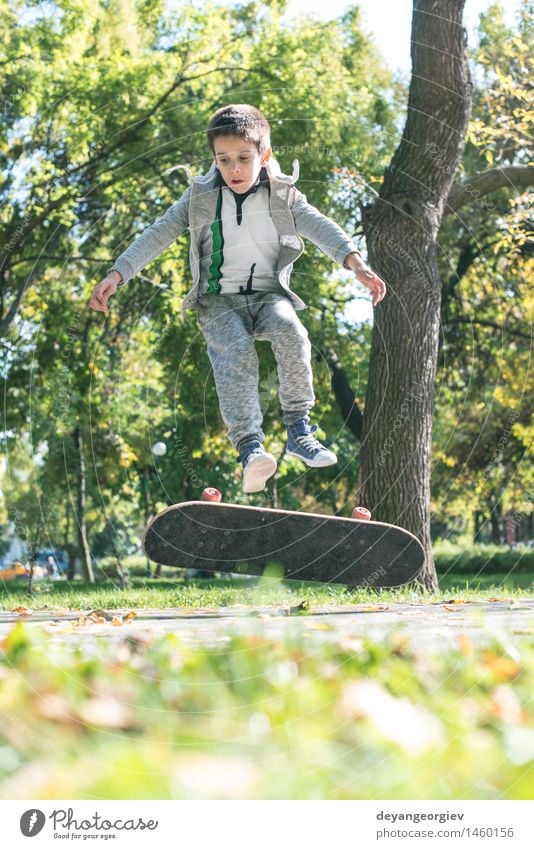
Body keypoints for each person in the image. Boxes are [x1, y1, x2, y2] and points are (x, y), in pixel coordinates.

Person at [89, 104, 386, 493]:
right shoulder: (199, 197)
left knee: (293, 334)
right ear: (214, 159)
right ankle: (250, 449)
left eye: (244, 159)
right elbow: (158, 233)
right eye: (224, 160)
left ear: (263, 155)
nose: (235, 170)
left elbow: (319, 225)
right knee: (237, 353)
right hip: (218, 300)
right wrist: (118, 273)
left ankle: (298, 429)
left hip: (268, 295)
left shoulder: (284, 194)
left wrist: (355, 262)